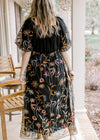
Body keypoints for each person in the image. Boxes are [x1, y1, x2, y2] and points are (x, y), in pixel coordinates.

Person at [15, 0, 78, 140]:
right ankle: (69, 134)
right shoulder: (59, 22)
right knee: (60, 101)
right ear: (51, 5)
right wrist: (70, 69)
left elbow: (27, 51)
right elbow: (64, 50)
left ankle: (45, 137)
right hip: (57, 69)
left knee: (39, 103)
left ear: (35, 5)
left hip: (37, 70)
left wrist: (22, 73)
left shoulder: (30, 23)